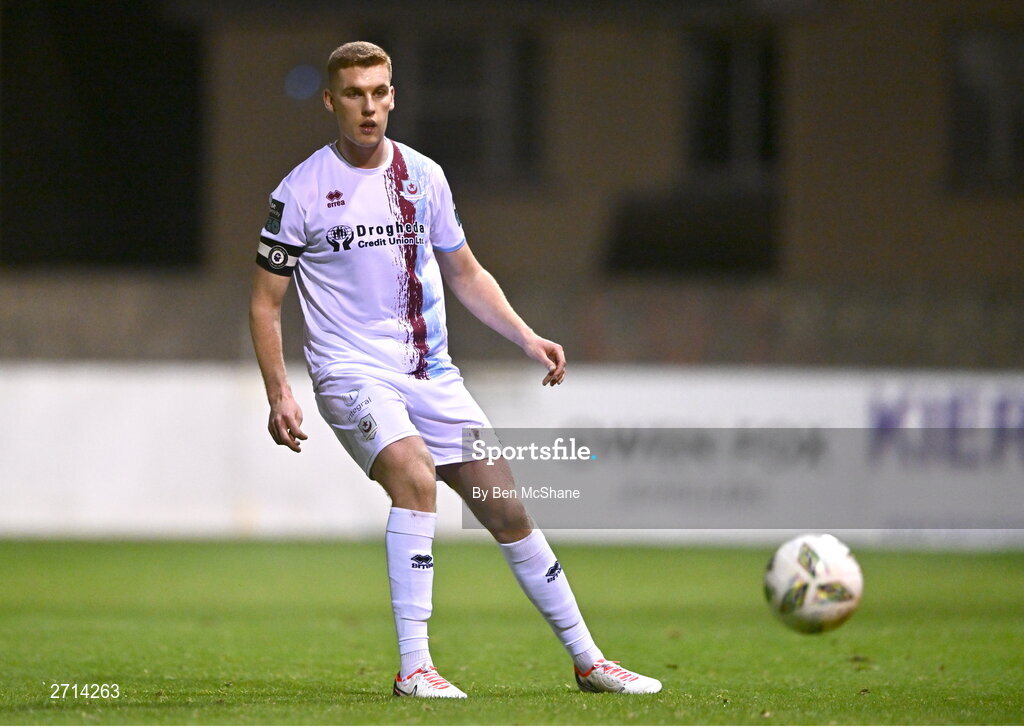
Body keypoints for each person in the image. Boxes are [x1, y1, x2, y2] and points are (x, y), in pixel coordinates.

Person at [249, 41, 661, 699]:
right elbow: (265, 302)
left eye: (379, 92)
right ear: (330, 101)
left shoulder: (424, 178)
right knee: (414, 477)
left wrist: (526, 336)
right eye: (354, 93)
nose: (369, 106)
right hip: (351, 372)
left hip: (431, 374)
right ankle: (415, 667)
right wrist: (279, 392)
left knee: (507, 509)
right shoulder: (299, 192)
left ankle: (589, 661)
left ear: (393, 96)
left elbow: (464, 271)